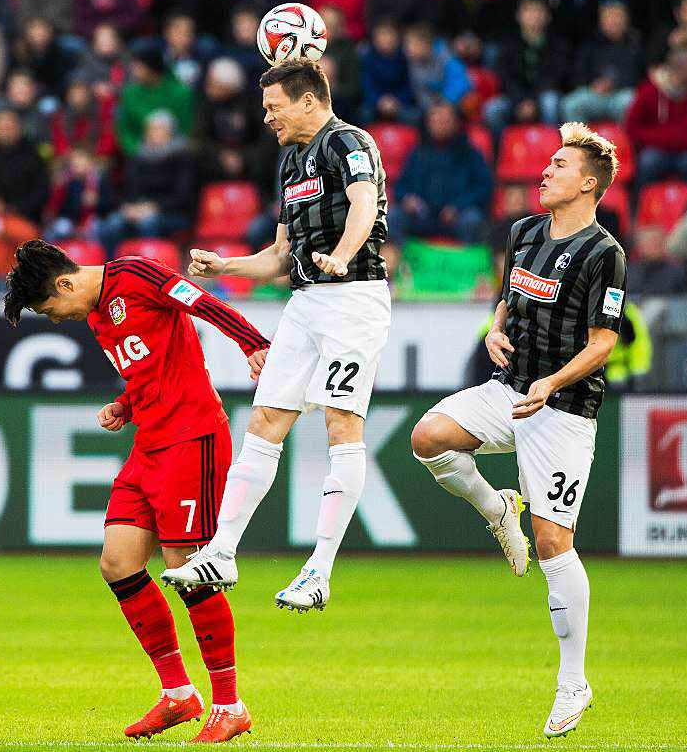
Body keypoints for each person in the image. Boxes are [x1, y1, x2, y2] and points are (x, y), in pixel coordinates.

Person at [4, 240, 270, 741]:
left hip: (192, 438)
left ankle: (230, 705)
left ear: (64, 284)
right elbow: (151, 364)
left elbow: (202, 301)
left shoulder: (135, 274)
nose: (56, 319)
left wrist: (253, 343)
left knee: (186, 568)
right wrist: (126, 404)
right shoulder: (99, 315)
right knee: (118, 562)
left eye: (50, 310)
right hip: (148, 444)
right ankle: (178, 695)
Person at [410, 122, 626, 738]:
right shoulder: (524, 232)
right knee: (427, 436)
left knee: (555, 544)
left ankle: (573, 681)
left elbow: (604, 340)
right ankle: (496, 508)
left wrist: (553, 384)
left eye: (559, 165)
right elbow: (508, 298)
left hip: (560, 409)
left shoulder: (603, 253)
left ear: (588, 183)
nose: (545, 170)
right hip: (509, 391)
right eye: (547, 162)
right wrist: (495, 327)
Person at [163, 60, 391, 612]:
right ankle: (222, 551)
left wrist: (339, 257)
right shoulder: (290, 161)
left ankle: (320, 569)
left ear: (308, 101)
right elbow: (280, 255)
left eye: (274, 107)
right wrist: (224, 267)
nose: (267, 118)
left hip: (354, 298)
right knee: (264, 421)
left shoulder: (350, 142)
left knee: (342, 425)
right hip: (306, 302)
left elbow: (362, 206)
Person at [389, 101, 491, 247]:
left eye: (445, 121)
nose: (439, 125)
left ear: (456, 123)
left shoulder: (470, 153)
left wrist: (458, 207)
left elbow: (483, 188)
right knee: (393, 216)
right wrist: (407, 199)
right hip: (422, 215)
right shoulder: (417, 152)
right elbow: (401, 186)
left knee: (472, 219)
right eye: (435, 121)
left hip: (456, 216)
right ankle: (400, 267)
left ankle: (467, 267)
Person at [98, 110, 195, 252]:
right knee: (113, 223)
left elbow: (183, 196)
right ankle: (112, 267)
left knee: (147, 223)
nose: (153, 133)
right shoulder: (138, 156)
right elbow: (129, 189)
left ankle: (151, 269)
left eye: (158, 129)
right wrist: (131, 207)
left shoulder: (182, 157)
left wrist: (153, 208)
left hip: (172, 212)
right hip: (140, 209)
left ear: (170, 132)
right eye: (150, 129)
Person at [483, 0, 569, 141]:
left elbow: (555, 78)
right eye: (529, 11)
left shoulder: (558, 45)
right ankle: (500, 156)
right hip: (515, 99)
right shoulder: (508, 44)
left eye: (539, 11)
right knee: (493, 109)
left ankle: (554, 153)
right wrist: (520, 101)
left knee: (551, 103)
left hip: (543, 97)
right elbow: (505, 78)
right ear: (519, 16)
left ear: (548, 17)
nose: (534, 16)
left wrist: (533, 102)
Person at [625, 48, 687, 188]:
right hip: (656, 149)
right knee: (648, 162)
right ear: (681, 69)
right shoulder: (648, 91)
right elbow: (632, 128)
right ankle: (641, 203)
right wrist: (664, 139)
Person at [561, 0, 641, 124]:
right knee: (570, 104)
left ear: (627, 20)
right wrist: (593, 84)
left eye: (618, 16)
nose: (613, 21)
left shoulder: (634, 46)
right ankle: (582, 143)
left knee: (631, 101)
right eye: (609, 16)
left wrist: (615, 84)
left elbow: (638, 76)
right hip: (593, 93)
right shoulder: (589, 44)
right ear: (600, 20)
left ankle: (626, 143)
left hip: (620, 95)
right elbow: (577, 73)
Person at [0, 109, 50, 224]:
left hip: (24, 215)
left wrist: (18, 208)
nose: (6, 133)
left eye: (10, 128)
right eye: (2, 128)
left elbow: (41, 189)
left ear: (19, 129)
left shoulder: (33, 154)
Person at [115, 45, 194, 155]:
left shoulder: (181, 94)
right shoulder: (130, 93)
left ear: (151, 68)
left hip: (175, 154)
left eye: (138, 66)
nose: (133, 70)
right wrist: (137, 150)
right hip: (140, 155)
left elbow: (187, 129)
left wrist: (170, 149)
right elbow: (124, 129)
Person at [358, 18, 416, 124]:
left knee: (413, 116)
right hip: (375, 102)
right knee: (364, 114)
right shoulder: (368, 58)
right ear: (374, 39)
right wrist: (378, 101)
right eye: (382, 36)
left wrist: (397, 101)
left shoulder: (405, 57)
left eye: (390, 36)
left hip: (399, 103)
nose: (386, 40)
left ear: (397, 39)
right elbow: (366, 84)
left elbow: (409, 85)